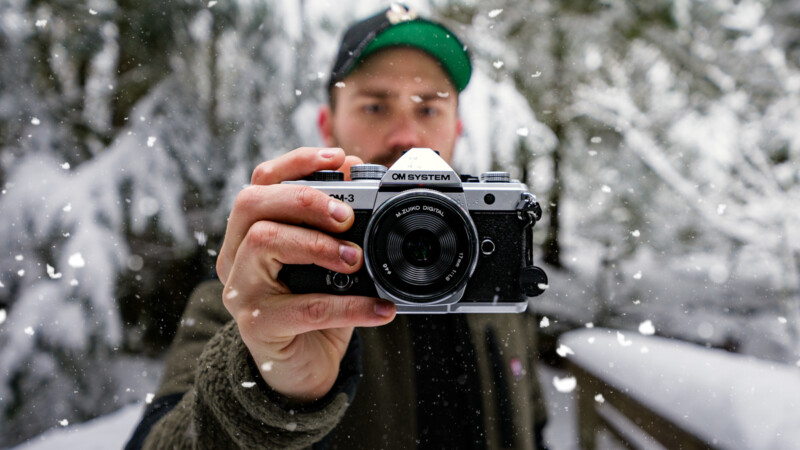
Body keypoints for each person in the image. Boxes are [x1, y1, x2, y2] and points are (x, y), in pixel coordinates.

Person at [126, 5, 548, 449]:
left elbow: (531, 425)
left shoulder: (499, 280)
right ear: (328, 127)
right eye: (375, 106)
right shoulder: (266, 284)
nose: (405, 135)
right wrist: (269, 395)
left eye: (428, 110)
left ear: (457, 129)